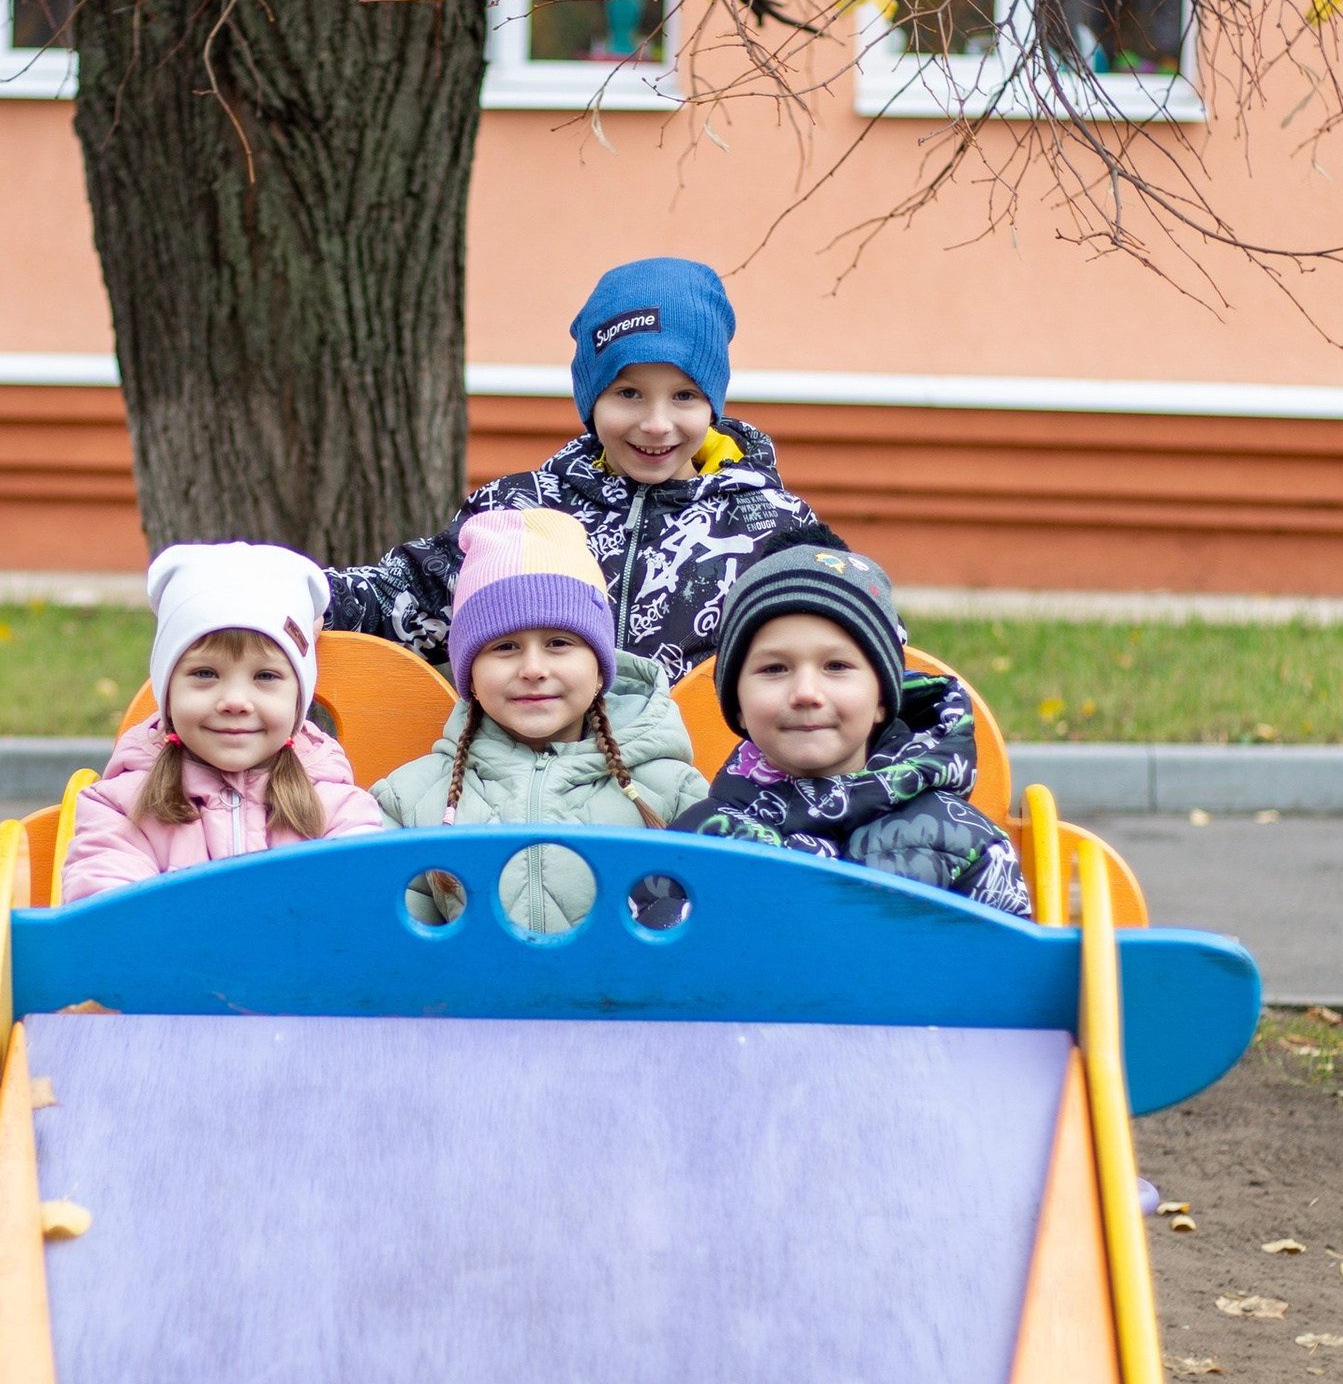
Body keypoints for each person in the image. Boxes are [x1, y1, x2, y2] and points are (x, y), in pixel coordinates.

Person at [324, 254, 841, 683]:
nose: (656, 424)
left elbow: (846, 648)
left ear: (713, 404)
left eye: (684, 395)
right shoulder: (521, 511)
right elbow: (404, 598)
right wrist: (302, 592)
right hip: (537, 771)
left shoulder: (771, 525)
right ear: (591, 401)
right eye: (628, 393)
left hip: (704, 772)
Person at [374, 514, 708, 932]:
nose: (533, 669)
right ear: (470, 675)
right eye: (505, 646)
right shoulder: (411, 800)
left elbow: (713, 926)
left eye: (559, 643)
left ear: (601, 669)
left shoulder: (672, 791)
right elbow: (389, 938)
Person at [677, 542, 1034, 913]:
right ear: (738, 707)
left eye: (836, 666)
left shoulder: (963, 842)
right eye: (774, 669)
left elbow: (1003, 950)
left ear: (882, 698)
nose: (806, 693)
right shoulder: (697, 842)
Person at [60, 541, 387, 900]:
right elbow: (112, 917)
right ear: (167, 693)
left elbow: (361, 911)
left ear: (299, 698)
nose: (234, 701)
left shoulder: (337, 809)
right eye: (205, 673)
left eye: (265, 676)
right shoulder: (123, 807)